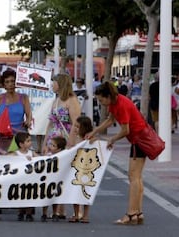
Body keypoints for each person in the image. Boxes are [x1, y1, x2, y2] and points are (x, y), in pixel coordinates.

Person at [86, 81, 146, 225]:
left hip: (139, 139)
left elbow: (126, 130)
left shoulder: (122, 104)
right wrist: (94, 131)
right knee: (136, 176)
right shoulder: (115, 102)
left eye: (101, 100)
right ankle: (137, 212)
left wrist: (112, 139)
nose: (101, 103)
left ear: (108, 96)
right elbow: (110, 120)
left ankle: (131, 214)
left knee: (133, 176)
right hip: (138, 139)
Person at [41, 73, 81, 219]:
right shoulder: (56, 101)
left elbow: (77, 123)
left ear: (61, 83)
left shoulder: (72, 100)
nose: (52, 85)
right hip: (54, 139)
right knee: (54, 174)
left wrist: (71, 142)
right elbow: (50, 123)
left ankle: (73, 209)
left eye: (54, 82)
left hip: (66, 139)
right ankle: (58, 208)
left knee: (66, 174)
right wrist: (45, 143)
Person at [0, 69, 32, 155]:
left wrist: (28, 120)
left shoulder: (23, 97)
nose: (10, 84)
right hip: (4, 135)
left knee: (21, 160)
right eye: (7, 82)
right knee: (4, 161)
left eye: (12, 81)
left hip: (21, 136)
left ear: (16, 83)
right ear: (4, 85)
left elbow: (29, 113)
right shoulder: (0, 98)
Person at [69, 115, 95, 223]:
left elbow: (97, 144)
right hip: (76, 169)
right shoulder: (75, 138)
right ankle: (76, 214)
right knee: (75, 191)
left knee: (86, 191)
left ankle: (85, 215)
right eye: (74, 126)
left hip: (87, 169)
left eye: (77, 126)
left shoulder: (89, 139)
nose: (75, 128)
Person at [11, 132, 38, 222]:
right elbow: (6, 159)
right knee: (20, 196)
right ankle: (21, 212)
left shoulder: (32, 153)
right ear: (21, 144)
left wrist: (34, 159)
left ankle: (29, 213)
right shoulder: (16, 153)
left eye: (30, 140)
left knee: (30, 196)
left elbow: (41, 159)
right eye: (28, 141)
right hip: (20, 180)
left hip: (31, 179)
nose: (31, 142)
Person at [40, 136, 67, 222]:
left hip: (57, 180)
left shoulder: (62, 157)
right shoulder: (48, 155)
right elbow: (42, 161)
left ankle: (55, 213)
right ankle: (44, 213)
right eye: (50, 144)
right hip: (47, 180)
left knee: (55, 198)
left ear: (59, 149)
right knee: (45, 197)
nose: (50, 146)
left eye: (53, 145)